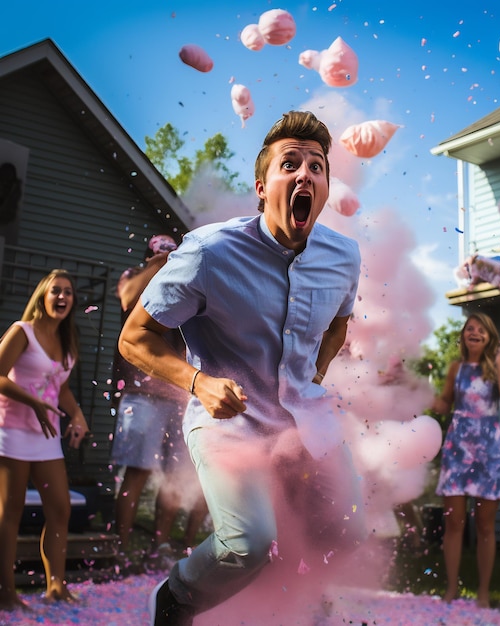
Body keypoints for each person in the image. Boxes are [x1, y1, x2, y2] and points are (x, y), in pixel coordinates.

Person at [118, 110, 367, 626]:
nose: (306, 174)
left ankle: (291, 601)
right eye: (290, 163)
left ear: (324, 188)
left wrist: (313, 377)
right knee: (249, 541)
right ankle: (177, 598)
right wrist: (199, 382)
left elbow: (339, 324)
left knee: (348, 528)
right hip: (227, 421)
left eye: (317, 167)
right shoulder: (209, 252)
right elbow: (134, 337)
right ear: (261, 186)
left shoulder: (344, 256)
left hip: (304, 420)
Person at [110, 234, 208, 566]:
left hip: (178, 397)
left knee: (175, 476)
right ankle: (121, 548)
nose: (168, 253)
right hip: (141, 396)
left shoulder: (186, 283)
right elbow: (126, 298)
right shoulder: (132, 277)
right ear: (149, 255)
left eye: (172, 248)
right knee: (136, 472)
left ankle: (160, 547)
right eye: (160, 249)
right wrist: (154, 267)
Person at [0, 269, 90, 610]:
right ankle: (6, 593)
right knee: (10, 512)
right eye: (55, 291)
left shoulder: (69, 341)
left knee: (60, 509)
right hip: (11, 431)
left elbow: (61, 388)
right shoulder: (22, 332)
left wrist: (77, 414)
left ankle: (55, 586)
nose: (62, 297)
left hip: (46, 435)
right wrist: (33, 401)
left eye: (68, 292)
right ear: (43, 296)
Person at [431, 312, 500, 608]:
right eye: (470, 328)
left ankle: (483, 592)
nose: (475, 332)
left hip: (488, 449)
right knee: (453, 522)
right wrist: (416, 393)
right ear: (464, 335)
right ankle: (452, 588)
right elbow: (443, 403)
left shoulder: (496, 367)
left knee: (484, 525)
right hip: (457, 448)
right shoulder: (456, 368)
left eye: (482, 329)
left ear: (490, 336)